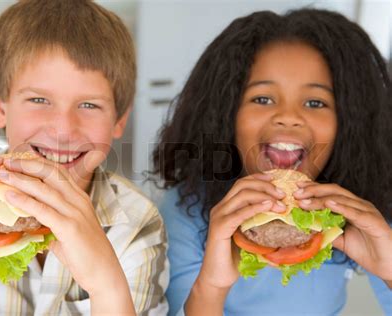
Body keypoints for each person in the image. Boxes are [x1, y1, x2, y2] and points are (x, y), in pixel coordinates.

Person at [0, 0, 168, 314]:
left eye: (89, 105)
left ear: (119, 120)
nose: (64, 128)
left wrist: (106, 284)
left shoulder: (137, 223)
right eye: (39, 99)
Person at [152, 8, 392, 316]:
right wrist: (211, 286)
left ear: (348, 123)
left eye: (315, 102)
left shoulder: (365, 210)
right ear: (227, 114)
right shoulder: (185, 210)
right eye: (262, 99)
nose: (288, 117)